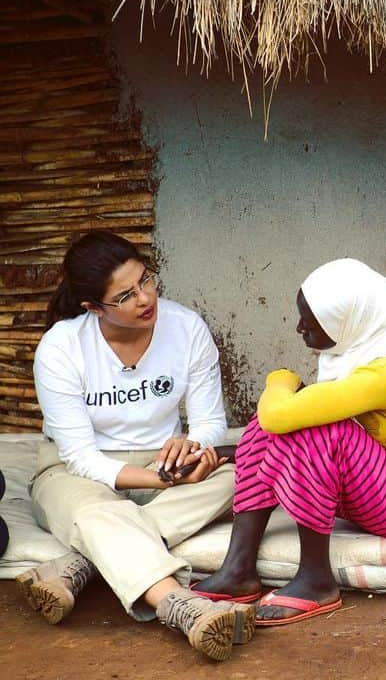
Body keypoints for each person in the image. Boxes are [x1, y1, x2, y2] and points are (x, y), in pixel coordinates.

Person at [194, 259, 386, 625]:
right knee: (274, 426)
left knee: (316, 428)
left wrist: (280, 378)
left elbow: (280, 412)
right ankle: (238, 569)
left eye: (310, 322)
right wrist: (236, 449)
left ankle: (316, 579)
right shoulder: (366, 350)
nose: (299, 328)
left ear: (347, 320)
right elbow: (276, 422)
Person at [20, 231, 245, 660]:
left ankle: (82, 563)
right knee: (95, 510)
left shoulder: (186, 327)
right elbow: (81, 456)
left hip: (165, 460)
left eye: (146, 280)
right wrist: (158, 482)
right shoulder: (62, 346)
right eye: (125, 295)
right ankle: (182, 605)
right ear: (93, 308)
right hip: (77, 470)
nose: (145, 298)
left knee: (249, 473)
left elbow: (211, 421)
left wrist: (195, 448)